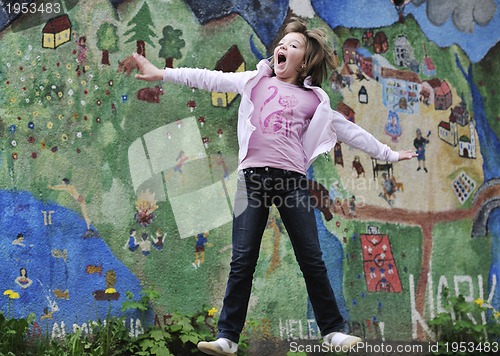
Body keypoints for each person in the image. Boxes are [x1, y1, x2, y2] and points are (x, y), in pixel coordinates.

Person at [132, 17, 417, 355]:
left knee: (312, 257)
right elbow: (209, 78)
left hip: (291, 182)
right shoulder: (255, 82)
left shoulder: (315, 101)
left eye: (293, 45)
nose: (283, 46)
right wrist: (161, 72)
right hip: (251, 180)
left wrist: (388, 153)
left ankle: (333, 331)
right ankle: (228, 337)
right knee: (242, 259)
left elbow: (350, 131)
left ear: (306, 61)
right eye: (283, 42)